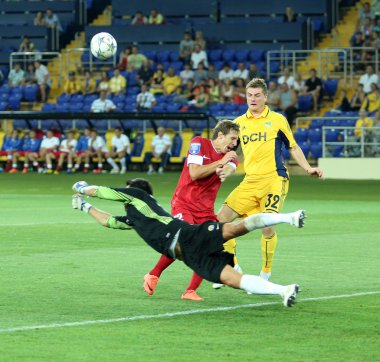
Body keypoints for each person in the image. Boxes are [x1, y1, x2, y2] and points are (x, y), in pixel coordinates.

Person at [72, 178, 304, 307]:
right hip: (191, 257)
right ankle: (284, 291)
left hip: (188, 235)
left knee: (235, 228)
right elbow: (109, 222)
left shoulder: (138, 197)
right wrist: (85, 207)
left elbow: (103, 191)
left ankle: (289, 217)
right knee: (233, 280)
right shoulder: (135, 219)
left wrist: (82, 187)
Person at [216, 78, 323, 284]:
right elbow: (230, 150)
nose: (253, 99)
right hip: (250, 181)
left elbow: (292, 146)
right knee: (221, 220)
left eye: (257, 95)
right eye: (249, 95)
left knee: (267, 227)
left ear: (265, 97)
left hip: (274, 179)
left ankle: (265, 272)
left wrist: (308, 168)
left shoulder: (277, 120)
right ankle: (234, 266)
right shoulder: (239, 123)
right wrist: (222, 165)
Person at [143, 120, 240, 301]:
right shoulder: (199, 143)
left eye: (236, 140)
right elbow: (194, 173)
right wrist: (220, 162)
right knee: (183, 240)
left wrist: (226, 170)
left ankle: (190, 291)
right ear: (220, 135)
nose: (235, 144)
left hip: (205, 210)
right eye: (232, 139)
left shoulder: (230, 156)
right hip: (184, 203)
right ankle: (153, 274)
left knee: (208, 247)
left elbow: (229, 169)